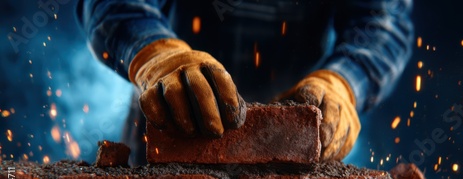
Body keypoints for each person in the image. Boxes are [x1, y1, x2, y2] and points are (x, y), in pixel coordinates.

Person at [77, 0, 413, 165]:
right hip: (170, 125)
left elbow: (382, 23)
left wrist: (342, 82)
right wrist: (157, 56)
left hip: (293, 158)